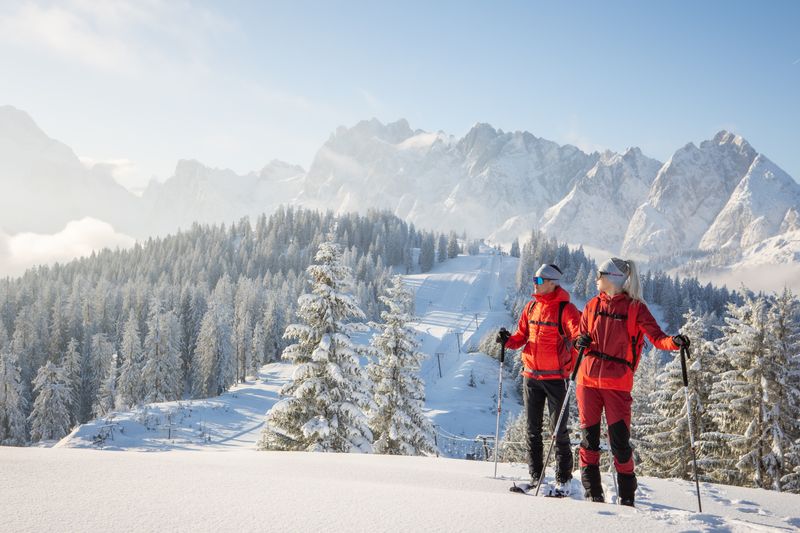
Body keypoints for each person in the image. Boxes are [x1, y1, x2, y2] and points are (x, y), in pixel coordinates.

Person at [573, 257, 689, 507]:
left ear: (612, 277)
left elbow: (657, 338)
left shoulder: (636, 308)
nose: (596, 278)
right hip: (587, 381)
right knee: (588, 441)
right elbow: (579, 337)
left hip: (617, 384)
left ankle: (627, 497)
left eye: (600, 273)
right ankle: (592, 494)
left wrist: (674, 342)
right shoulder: (592, 305)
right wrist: (578, 342)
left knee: (620, 445)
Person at [497, 263, 582, 494]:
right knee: (532, 429)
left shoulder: (566, 309)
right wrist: (507, 340)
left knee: (558, 430)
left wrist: (579, 341)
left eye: (539, 280)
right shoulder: (532, 307)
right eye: (534, 279)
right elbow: (521, 336)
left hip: (556, 378)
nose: (535, 284)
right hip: (531, 376)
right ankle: (536, 477)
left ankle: (563, 480)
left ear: (552, 283)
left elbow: (577, 333)